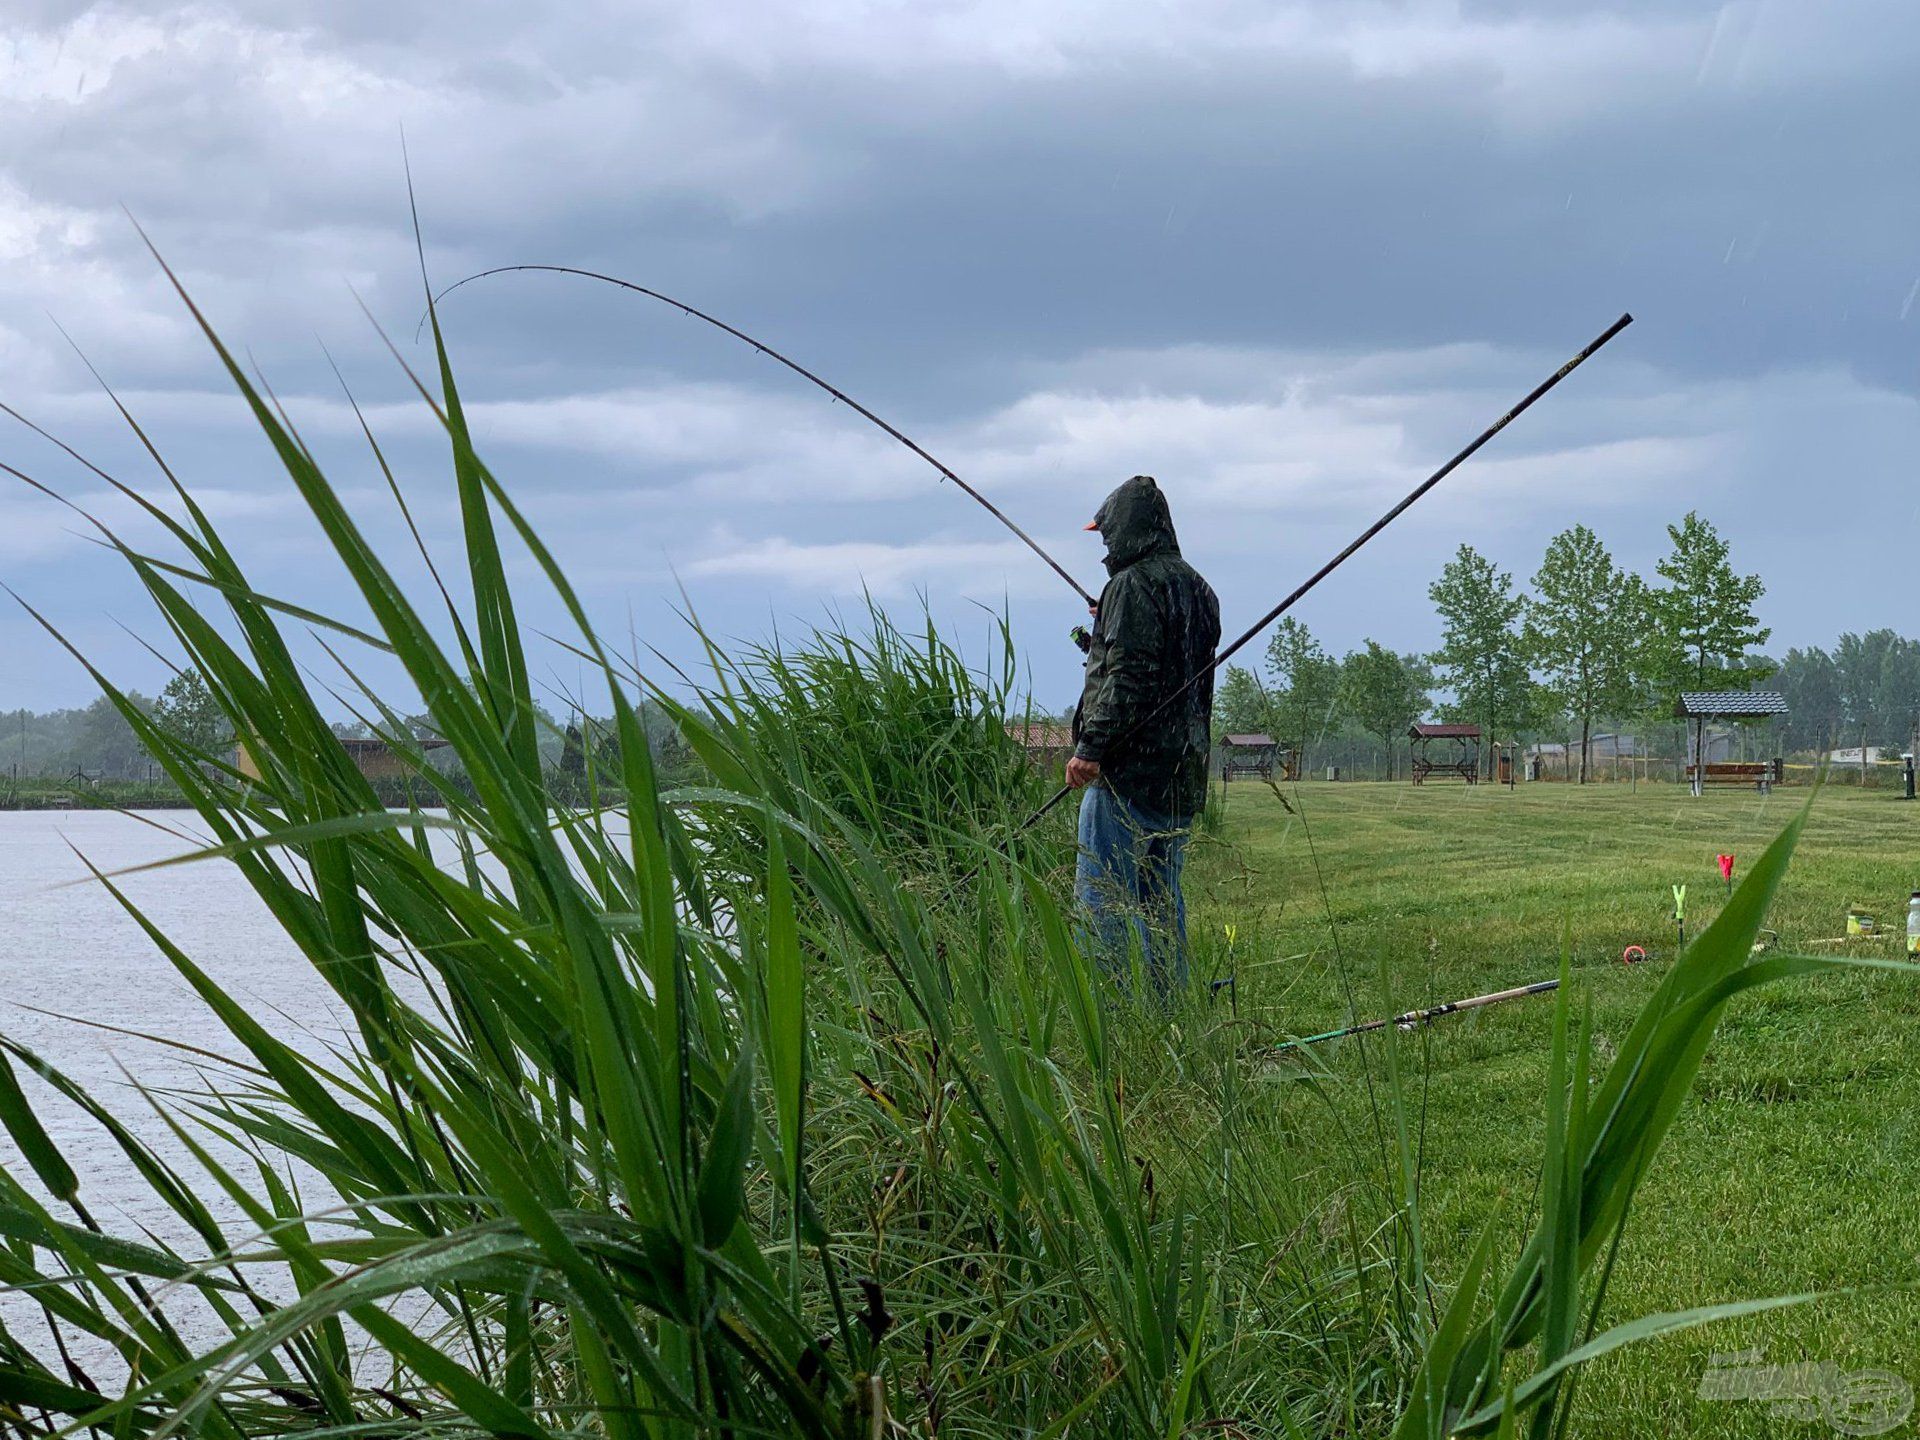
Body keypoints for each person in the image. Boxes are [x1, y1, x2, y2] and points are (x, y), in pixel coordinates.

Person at [1066, 474, 1220, 998]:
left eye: (1107, 535)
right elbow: (1164, 657)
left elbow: (1130, 676)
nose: (1105, 546)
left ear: (1128, 531)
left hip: (1127, 776)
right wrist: (1108, 622)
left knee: (1102, 901)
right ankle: (1169, 1008)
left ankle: (1110, 1013)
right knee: (1161, 904)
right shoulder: (1200, 589)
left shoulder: (1130, 586)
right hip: (1180, 777)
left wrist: (1091, 749)